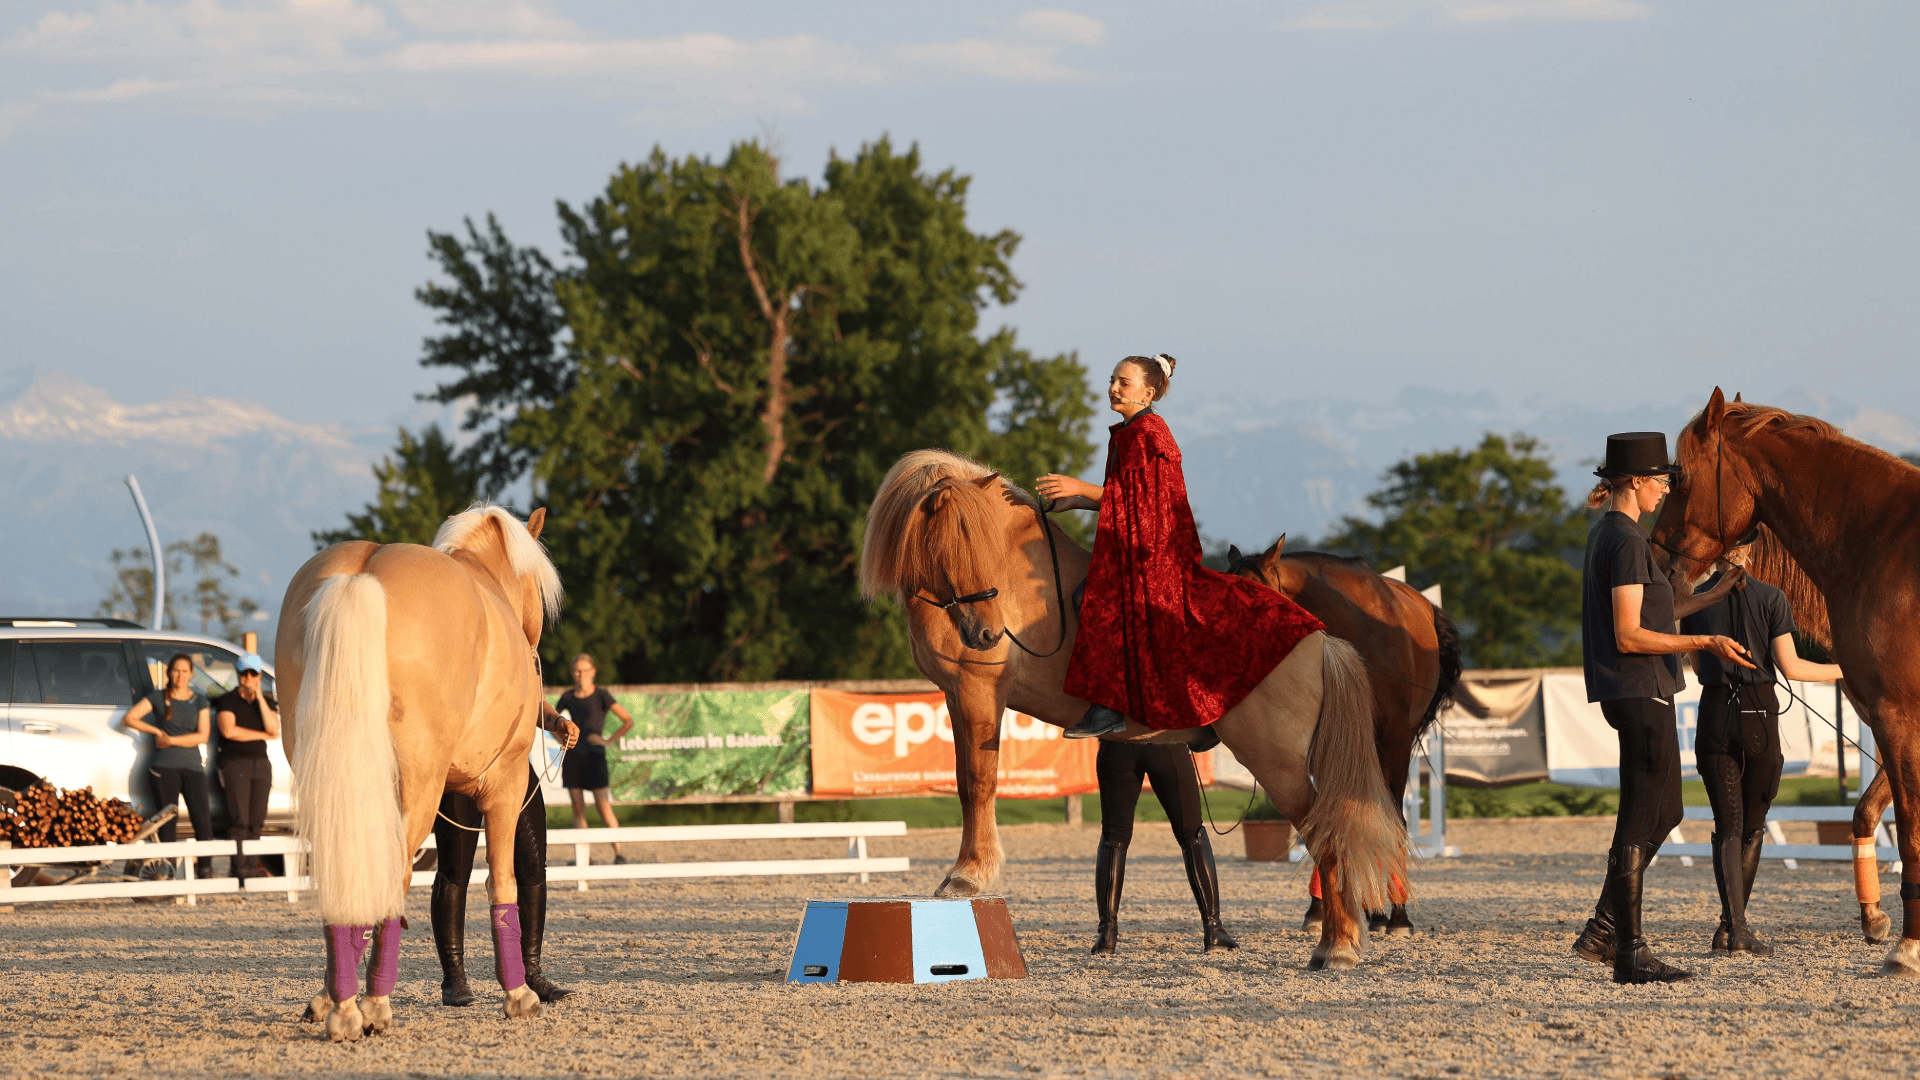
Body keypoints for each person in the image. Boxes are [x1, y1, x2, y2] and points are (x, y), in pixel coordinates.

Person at [1036, 354, 1323, 746]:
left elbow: (1141, 503)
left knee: (1096, 601)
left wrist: (1081, 487)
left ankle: (1111, 706)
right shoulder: (1130, 432)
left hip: (1154, 558)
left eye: (1124, 382)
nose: (1114, 388)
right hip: (1137, 551)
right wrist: (1079, 502)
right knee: (1085, 597)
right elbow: (1131, 503)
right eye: (1112, 380)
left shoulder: (1148, 433)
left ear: (1148, 393)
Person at [1570, 431, 1753, 985]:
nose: (1666, 489)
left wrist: (1714, 594)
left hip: (1639, 690)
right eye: (1661, 480)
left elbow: (1656, 612)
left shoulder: (1613, 535)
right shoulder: (1627, 541)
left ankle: (1604, 929)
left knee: (1667, 811)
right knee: (1636, 818)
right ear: (1634, 482)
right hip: (1638, 688)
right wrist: (1707, 642)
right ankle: (1628, 950)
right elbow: (1630, 634)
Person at [1681, 539, 1842, 956]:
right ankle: (1733, 929)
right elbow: (1792, 667)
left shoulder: (1695, 599)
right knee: (1752, 827)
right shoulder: (1772, 597)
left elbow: (1697, 666)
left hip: (1715, 711)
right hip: (1759, 717)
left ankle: (1732, 929)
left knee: (1727, 826)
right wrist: (1846, 670)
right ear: (1748, 549)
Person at [433, 705, 580, 1005]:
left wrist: (555, 721)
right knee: (455, 868)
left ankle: (531, 972)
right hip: (461, 760)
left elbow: (529, 697)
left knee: (533, 864)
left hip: (512, 761)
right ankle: (454, 978)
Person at [1090, 741, 1236, 954]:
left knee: (1113, 838)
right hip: (1164, 742)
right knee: (1192, 834)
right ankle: (1213, 929)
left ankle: (1107, 934)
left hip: (1117, 744)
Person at [121, 653, 215, 878]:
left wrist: (171, 740)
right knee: (168, 824)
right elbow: (130, 718)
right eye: (176, 670)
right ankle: (167, 872)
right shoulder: (158, 697)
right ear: (169, 673)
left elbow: (202, 735)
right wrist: (155, 730)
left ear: (191, 674)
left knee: (202, 819)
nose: (180, 675)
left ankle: (205, 868)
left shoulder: (199, 700)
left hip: (192, 767)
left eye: (185, 671)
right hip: (164, 767)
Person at [556, 654, 634, 863]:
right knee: (578, 809)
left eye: (585, 670)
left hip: (595, 757)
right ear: (572, 673)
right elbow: (551, 721)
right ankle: (584, 858)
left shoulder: (601, 695)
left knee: (603, 807)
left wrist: (608, 741)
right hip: (573, 758)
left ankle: (618, 853)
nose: (581, 675)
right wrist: (562, 739)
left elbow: (628, 720)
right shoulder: (567, 697)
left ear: (593, 672)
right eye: (577, 671)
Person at [212, 653, 278, 879]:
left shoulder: (265, 702)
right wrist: (262, 735)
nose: (248, 678)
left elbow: (274, 728)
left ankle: (252, 866)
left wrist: (259, 696)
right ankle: (239, 868)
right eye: (244, 673)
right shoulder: (227, 700)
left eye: (253, 674)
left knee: (257, 821)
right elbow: (229, 731)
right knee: (240, 820)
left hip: (261, 764)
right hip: (235, 763)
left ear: (259, 676)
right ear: (238, 674)